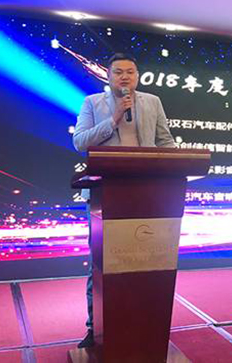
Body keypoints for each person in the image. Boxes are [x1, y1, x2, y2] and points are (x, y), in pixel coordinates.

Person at [72, 52, 175, 348]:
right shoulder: (93, 103)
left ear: (137, 76)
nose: (125, 77)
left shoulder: (152, 102)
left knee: (146, 260)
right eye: (118, 72)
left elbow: (165, 141)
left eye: (130, 72)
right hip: (105, 195)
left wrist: (173, 164)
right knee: (102, 263)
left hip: (146, 193)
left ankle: (142, 324)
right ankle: (95, 327)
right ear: (108, 76)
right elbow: (80, 142)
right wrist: (114, 118)